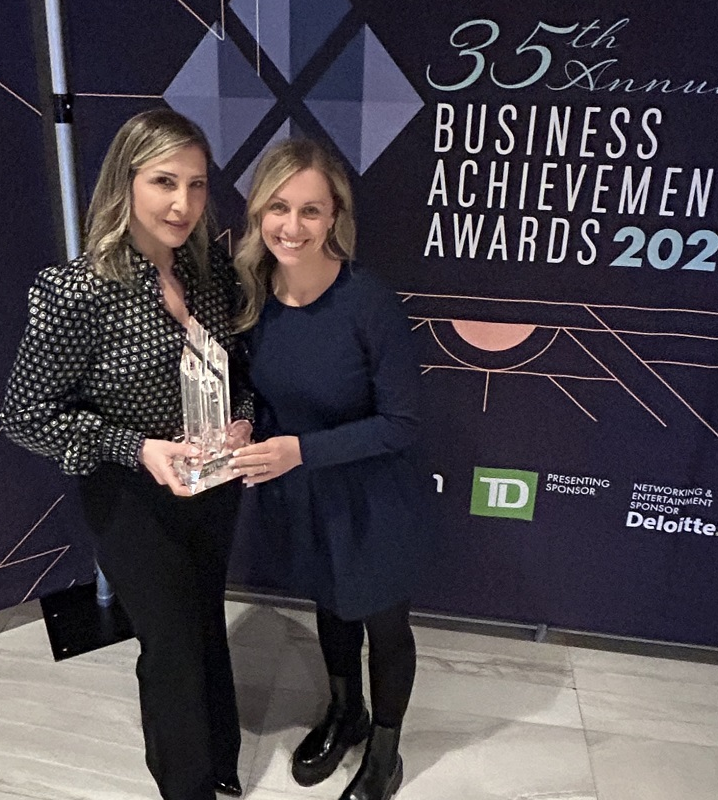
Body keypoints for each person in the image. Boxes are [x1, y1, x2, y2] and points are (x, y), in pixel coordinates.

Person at [0, 108, 253, 800]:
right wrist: (135, 447)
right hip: (130, 498)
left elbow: (240, 370)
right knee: (169, 646)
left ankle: (221, 760)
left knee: (205, 619)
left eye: (198, 186)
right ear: (126, 181)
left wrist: (242, 423)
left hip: (214, 485)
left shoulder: (210, 271)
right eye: (164, 181)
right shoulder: (76, 291)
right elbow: (23, 416)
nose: (183, 204)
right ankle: (188, 785)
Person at [228, 139, 426, 800]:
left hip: (372, 500)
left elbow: (401, 423)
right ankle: (346, 713)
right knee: (330, 606)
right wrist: (244, 422)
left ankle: (386, 752)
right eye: (278, 207)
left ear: (334, 214)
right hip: (301, 495)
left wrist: (300, 451)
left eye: (310, 210)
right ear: (258, 211)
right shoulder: (254, 296)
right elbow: (253, 387)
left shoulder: (369, 303)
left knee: (383, 627)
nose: (291, 225)